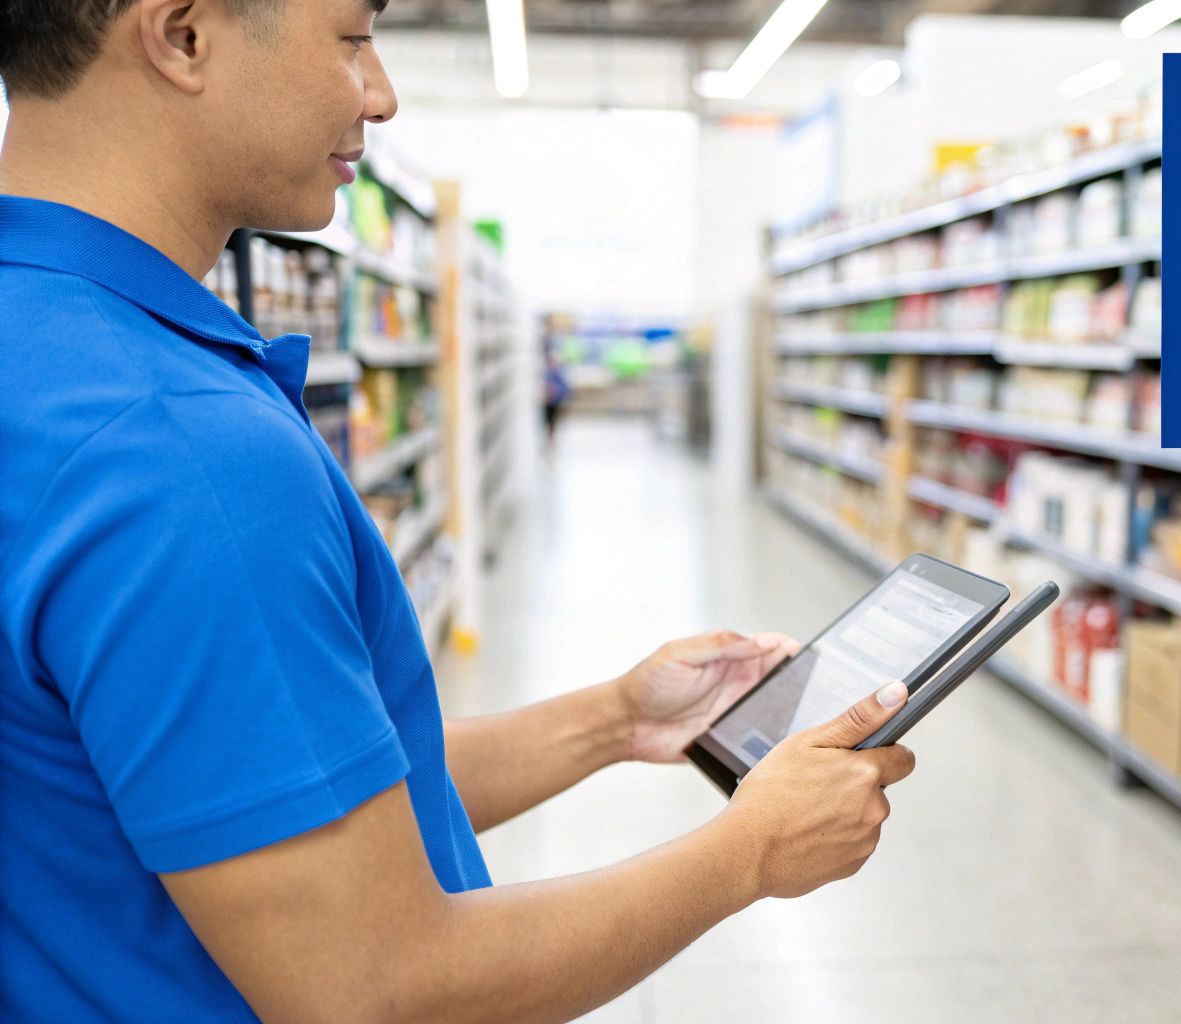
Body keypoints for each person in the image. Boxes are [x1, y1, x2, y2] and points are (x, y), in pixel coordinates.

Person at [0, 2, 915, 1021]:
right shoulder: (178, 446)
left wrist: (615, 718)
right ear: (183, 36)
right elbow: (381, 989)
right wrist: (749, 853)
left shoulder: (44, 346)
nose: (381, 95)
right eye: (351, 39)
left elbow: (286, 795)